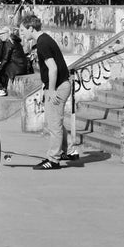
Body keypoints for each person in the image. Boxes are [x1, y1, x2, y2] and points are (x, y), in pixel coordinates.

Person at [19, 13, 73, 170]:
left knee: (54, 125)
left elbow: (53, 68)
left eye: (23, 30)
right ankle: (68, 150)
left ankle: (53, 160)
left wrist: (50, 90)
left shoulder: (42, 43)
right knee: (55, 122)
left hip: (58, 87)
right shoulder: (44, 39)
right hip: (58, 85)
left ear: (30, 28)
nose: (21, 34)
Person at [0, 24, 29, 97]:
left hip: (16, 67)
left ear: (7, 33)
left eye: (2, 34)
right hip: (18, 65)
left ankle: (1, 89)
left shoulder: (9, 43)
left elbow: (5, 59)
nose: (0, 36)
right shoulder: (10, 40)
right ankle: (1, 88)